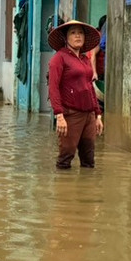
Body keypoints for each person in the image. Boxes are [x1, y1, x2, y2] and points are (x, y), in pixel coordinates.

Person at [47, 19, 104, 169]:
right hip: (70, 115)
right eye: (73, 33)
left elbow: (89, 87)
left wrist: (97, 114)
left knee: (89, 160)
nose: (77, 36)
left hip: (89, 116)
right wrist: (59, 115)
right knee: (66, 157)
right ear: (66, 38)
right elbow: (53, 88)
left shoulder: (85, 59)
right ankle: (64, 190)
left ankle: (86, 190)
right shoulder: (59, 59)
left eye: (80, 33)